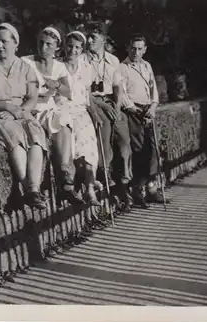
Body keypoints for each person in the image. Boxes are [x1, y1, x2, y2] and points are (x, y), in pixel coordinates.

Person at [0, 22, 48, 210]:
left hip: (20, 113)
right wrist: (7, 108)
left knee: (36, 133)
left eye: (4, 42)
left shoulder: (25, 67)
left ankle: (34, 188)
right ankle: (27, 188)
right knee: (14, 135)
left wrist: (19, 111)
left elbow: (32, 97)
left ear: (16, 44)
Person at [22, 26, 83, 205]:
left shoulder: (59, 67)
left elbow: (68, 92)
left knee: (63, 122)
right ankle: (63, 186)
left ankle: (65, 174)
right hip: (30, 109)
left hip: (48, 108)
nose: (43, 48)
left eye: (49, 44)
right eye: (41, 43)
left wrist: (56, 85)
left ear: (57, 47)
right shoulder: (26, 62)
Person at [83, 22, 134, 209]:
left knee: (124, 140)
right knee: (104, 140)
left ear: (103, 40)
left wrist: (118, 107)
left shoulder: (113, 60)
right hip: (95, 103)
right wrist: (103, 105)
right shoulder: (82, 60)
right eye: (88, 37)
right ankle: (108, 181)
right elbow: (84, 91)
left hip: (112, 102)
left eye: (93, 38)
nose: (89, 41)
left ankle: (125, 183)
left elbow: (118, 87)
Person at [116, 35, 166, 207]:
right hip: (133, 111)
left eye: (139, 48)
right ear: (127, 48)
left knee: (153, 149)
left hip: (147, 110)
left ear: (145, 50)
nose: (136, 52)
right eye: (133, 48)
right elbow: (121, 93)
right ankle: (138, 190)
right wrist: (135, 110)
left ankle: (151, 186)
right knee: (139, 150)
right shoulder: (122, 68)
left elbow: (153, 90)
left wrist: (152, 107)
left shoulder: (146, 66)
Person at [62, 30, 103, 206]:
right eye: (70, 46)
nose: (73, 50)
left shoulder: (86, 68)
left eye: (78, 47)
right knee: (76, 147)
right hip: (63, 111)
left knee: (89, 148)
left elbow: (87, 96)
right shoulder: (57, 66)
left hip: (81, 111)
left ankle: (89, 188)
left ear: (82, 49)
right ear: (64, 46)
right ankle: (90, 187)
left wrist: (95, 114)